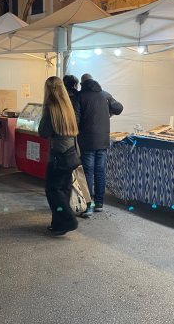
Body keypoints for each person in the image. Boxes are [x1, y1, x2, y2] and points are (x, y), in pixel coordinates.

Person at [76, 73, 123, 216]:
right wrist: (109, 112)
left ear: (82, 83)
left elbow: (76, 120)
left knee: (88, 173)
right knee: (100, 171)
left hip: (87, 141)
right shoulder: (105, 94)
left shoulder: (80, 96)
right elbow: (119, 108)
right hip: (103, 141)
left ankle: (88, 205)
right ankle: (99, 204)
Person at [38, 76, 80, 236]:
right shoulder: (68, 104)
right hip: (70, 152)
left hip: (57, 154)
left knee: (53, 190)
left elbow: (44, 132)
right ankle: (58, 224)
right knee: (64, 189)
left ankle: (68, 219)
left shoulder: (50, 106)